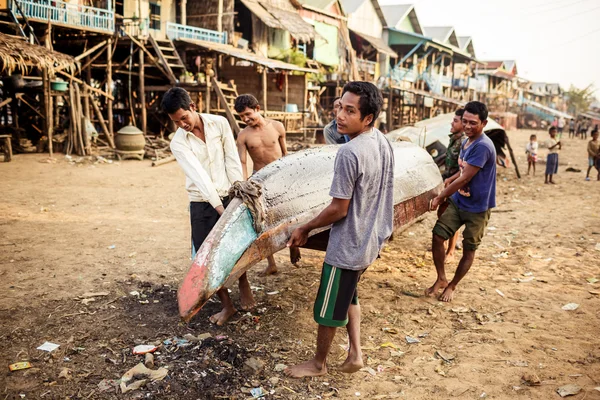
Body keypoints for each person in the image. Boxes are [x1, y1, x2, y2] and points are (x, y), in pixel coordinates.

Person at [284, 82, 393, 378]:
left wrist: (305, 227)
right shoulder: (381, 140)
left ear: (367, 118)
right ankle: (356, 353)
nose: (340, 116)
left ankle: (318, 364)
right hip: (371, 238)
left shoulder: (350, 152)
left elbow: (338, 209)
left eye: (350, 111)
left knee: (329, 309)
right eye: (340, 108)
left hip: (348, 245)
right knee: (348, 296)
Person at [162, 87, 256, 326]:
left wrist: (238, 192)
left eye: (184, 117)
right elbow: (199, 177)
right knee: (205, 255)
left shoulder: (219, 123)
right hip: (202, 202)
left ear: (193, 107)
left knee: (237, 242)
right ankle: (227, 305)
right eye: (176, 122)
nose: (182, 124)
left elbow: (232, 159)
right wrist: (219, 208)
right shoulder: (178, 143)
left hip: (228, 194)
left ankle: (243, 282)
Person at [426, 101, 496, 302]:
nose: (467, 126)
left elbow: (466, 178)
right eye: (464, 121)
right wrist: (451, 178)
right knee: (438, 235)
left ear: (484, 123)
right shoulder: (466, 141)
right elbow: (464, 170)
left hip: (478, 207)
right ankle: (441, 278)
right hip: (460, 201)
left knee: (469, 249)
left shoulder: (483, 145)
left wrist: (441, 196)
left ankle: (452, 285)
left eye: (473, 123)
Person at [234, 94, 301, 273]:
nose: (246, 119)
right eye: (241, 117)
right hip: (260, 179)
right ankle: (271, 264)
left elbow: (285, 154)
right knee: (262, 220)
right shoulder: (243, 136)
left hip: (282, 175)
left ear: (257, 108)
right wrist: (245, 184)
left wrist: (291, 177)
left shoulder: (277, 126)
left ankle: (294, 244)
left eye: (248, 114)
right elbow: (242, 162)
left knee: (291, 213)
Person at [440, 108, 466, 260]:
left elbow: (463, 168)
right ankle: (443, 244)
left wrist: (451, 180)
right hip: (448, 180)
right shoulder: (453, 138)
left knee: (452, 217)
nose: (452, 123)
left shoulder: (463, 142)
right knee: (442, 213)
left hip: (456, 184)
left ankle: (450, 251)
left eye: (456, 121)